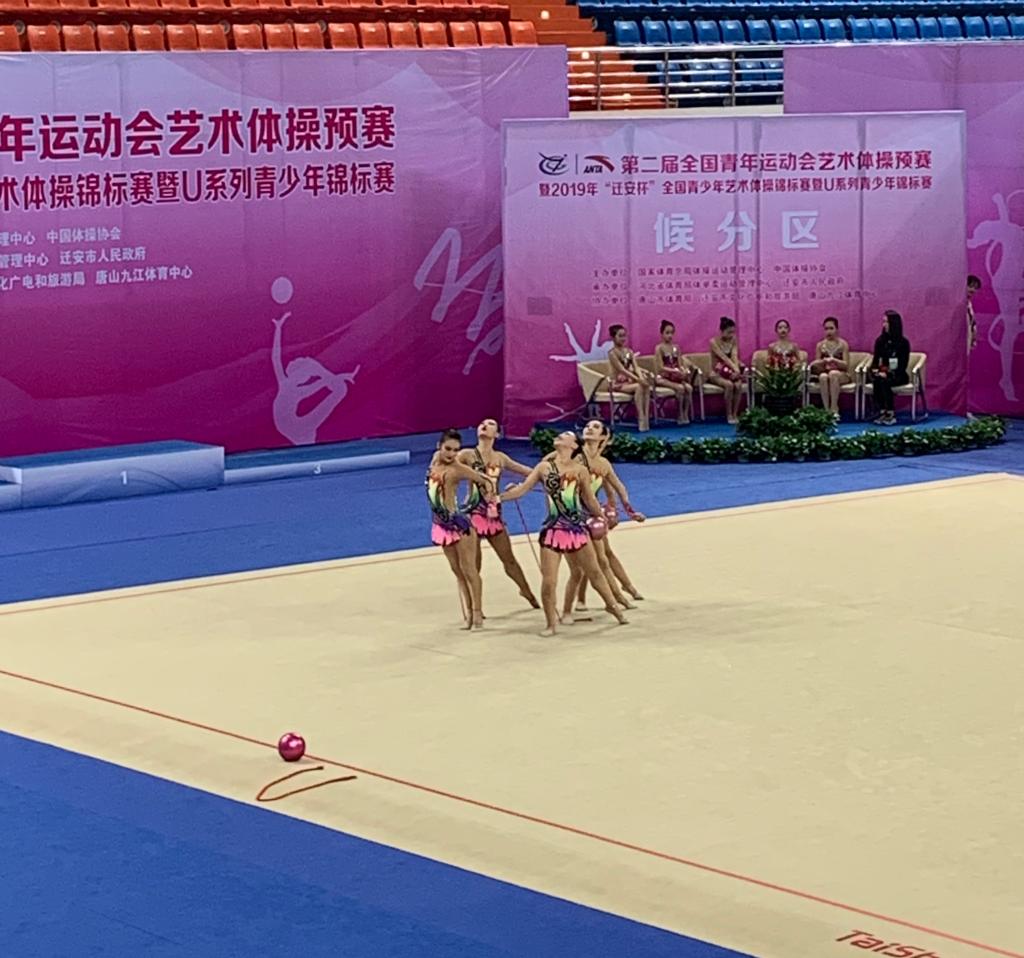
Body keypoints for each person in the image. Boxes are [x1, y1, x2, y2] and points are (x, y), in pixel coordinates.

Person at [500, 431, 628, 636]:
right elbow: (522, 490)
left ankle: (614, 608)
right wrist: (499, 498)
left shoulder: (580, 470)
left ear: (573, 445)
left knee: (594, 572)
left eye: (565, 436)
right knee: (549, 581)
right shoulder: (544, 468)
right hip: (553, 530)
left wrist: (602, 517)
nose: (559, 436)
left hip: (576, 529)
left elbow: (589, 499)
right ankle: (551, 623)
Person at [563, 421, 646, 619]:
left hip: (592, 514)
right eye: (587, 426)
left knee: (601, 558)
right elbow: (549, 468)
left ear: (603, 437)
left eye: (595, 427)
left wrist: (629, 511)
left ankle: (620, 595)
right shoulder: (575, 457)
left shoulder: (603, 464)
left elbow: (618, 488)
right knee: (587, 563)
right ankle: (589, 600)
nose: (589, 428)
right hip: (573, 515)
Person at [458, 419, 539, 610]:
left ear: (497, 434)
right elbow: (446, 467)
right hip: (472, 514)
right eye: (482, 423)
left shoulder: (500, 458)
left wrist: (521, 486)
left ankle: (526, 591)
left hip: (493, 514)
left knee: (509, 559)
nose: (484, 425)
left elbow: (531, 473)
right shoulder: (467, 455)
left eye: (490, 424)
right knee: (474, 564)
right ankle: (474, 608)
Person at [426, 429, 495, 631]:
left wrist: (488, 500)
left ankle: (477, 613)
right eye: (448, 449)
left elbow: (486, 481)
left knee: (469, 570)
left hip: (459, 525)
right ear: (439, 446)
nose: (451, 454)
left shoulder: (457, 469)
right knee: (457, 572)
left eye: (456, 450)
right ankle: (469, 612)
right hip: (442, 525)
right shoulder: (434, 460)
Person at [271, 312, 359, 446]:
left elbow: (276, 359)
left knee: (339, 389)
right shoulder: (287, 384)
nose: (293, 361)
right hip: (294, 427)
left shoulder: (286, 384)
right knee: (340, 389)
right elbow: (275, 357)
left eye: (297, 363)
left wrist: (333, 377)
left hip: (293, 428)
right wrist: (278, 328)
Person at [869, 310, 911, 426]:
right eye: (883, 322)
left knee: (885, 381)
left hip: (898, 374)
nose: (884, 325)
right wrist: (875, 371)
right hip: (883, 372)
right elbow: (875, 361)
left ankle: (890, 412)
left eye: (886, 322)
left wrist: (888, 373)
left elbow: (902, 365)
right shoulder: (880, 341)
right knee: (877, 380)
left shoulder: (903, 343)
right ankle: (882, 410)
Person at [607, 325, 652, 432]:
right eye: (620, 336)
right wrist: (638, 380)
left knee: (645, 385)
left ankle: (646, 415)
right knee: (639, 386)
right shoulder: (612, 353)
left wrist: (641, 378)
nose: (623, 338)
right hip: (617, 384)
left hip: (629, 382)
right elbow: (622, 369)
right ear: (613, 337)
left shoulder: (629, 351)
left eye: (624, 336)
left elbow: (636, 367)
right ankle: (640, 417)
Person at [652, 320, 694, 425]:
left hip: (675, 376)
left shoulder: (676, 348)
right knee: (680, 388)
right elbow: (660, 367)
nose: (670, 335)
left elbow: (680, 364)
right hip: (663, 377)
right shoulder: (659, 348)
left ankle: (685, 413)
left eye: (672, 333)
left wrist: (683, 371)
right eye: (667, 333)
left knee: (689, 388)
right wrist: (673, 371)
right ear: (662, 334)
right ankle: (679, 414)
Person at [810, 317, 851, 419]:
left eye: (831, 328)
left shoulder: (843, 344)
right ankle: (826, 409)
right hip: (825, 372)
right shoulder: (820, 345)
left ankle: (834, 408)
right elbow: (816, 365)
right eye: (826, 329)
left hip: (841, 374)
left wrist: (835, 361)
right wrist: (823, 362)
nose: (829, 331)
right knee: (823, 377)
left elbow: (846, 365)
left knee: (833, 374)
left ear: (837, 329)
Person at [709, 316, 746, 424]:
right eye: (729, 332)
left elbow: (734, 356)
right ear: (722, 331)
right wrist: (736, 369)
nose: (731, 335)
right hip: (717, 373)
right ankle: (728, 414)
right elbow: (723, 357)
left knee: (738, 385)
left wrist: (736, 371)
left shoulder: (733, 340)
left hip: (731, 372)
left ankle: (735, 413)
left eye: (733, 332)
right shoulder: (713, 342)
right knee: (729, 385)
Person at [967, 274, 981, 352]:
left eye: (975, 288)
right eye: (970, 286)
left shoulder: (969, 304)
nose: (973, 290)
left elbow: (972, 324)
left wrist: (973, 340)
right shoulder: (959, 304)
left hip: (968, 344)